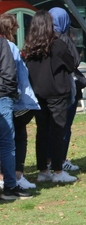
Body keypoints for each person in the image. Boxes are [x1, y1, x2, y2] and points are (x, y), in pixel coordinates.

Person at [24, 11, 77, 183]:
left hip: (38, 94)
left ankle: (42, 170)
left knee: (42, 132)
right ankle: (58, 170)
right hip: (57, 94)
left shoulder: (30, 48)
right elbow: (72, 64)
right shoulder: (58, 45)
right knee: (57, 131)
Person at [0, 15, 39, 191]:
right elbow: (17, 76)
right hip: (10, 98)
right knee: (13, 140)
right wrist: (16, 95)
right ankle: (14, 177)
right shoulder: (10, 46)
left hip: (8, 96)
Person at [47, 7, 82, 174]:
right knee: (63, 127)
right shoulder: (63, 39)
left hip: (45, 90)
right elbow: (74, 62)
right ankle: (60, 160)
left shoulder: (41, 38)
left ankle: (47, 160)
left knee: (47, 128)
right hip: (64, 90)